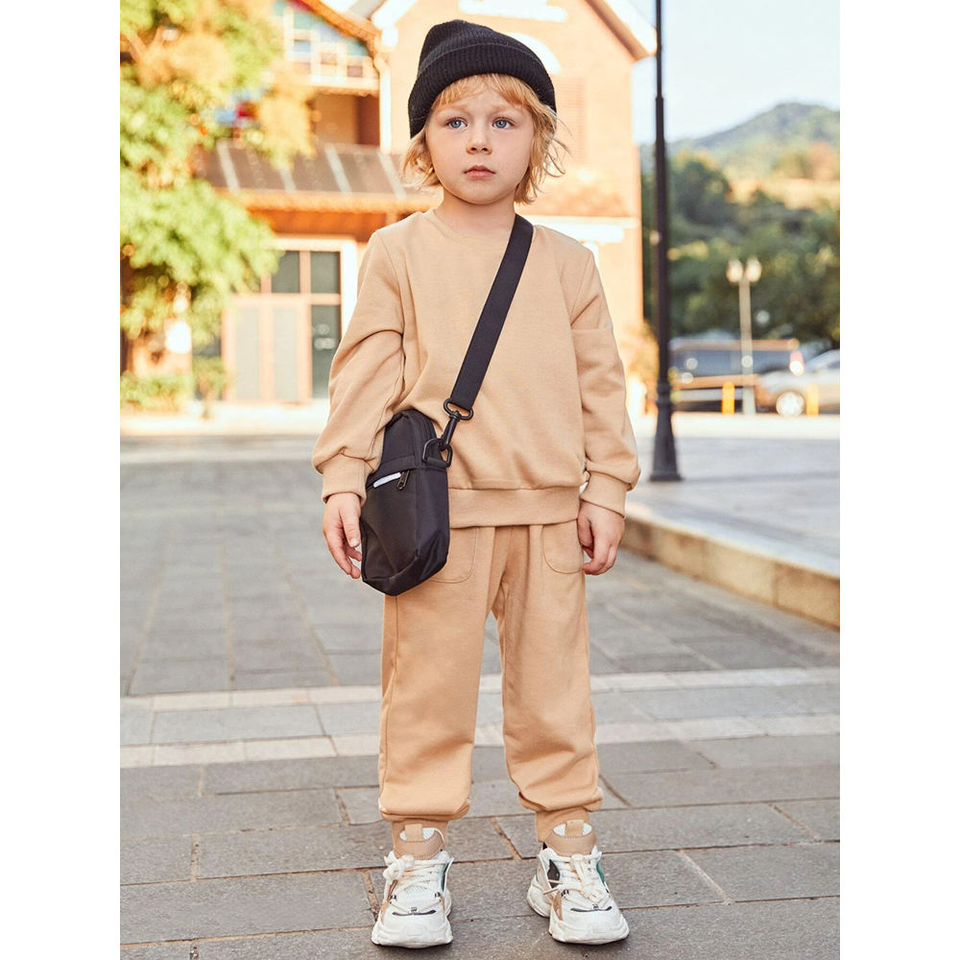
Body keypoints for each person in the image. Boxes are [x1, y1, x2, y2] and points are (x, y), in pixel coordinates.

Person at [312, 19, 640, 949]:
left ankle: (568, 854)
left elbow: (602, 386)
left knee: (555, 694)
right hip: (435, 520)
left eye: (505, 120)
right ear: (424, 141)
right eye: (455, 122)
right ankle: (417, 860)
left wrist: (607, 489)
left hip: (547, 519)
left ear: (539, 138)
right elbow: (365, 372)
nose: (480, 141)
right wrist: (342, 477)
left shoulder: (569, 262)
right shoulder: (397, 253)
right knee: (426, 690)